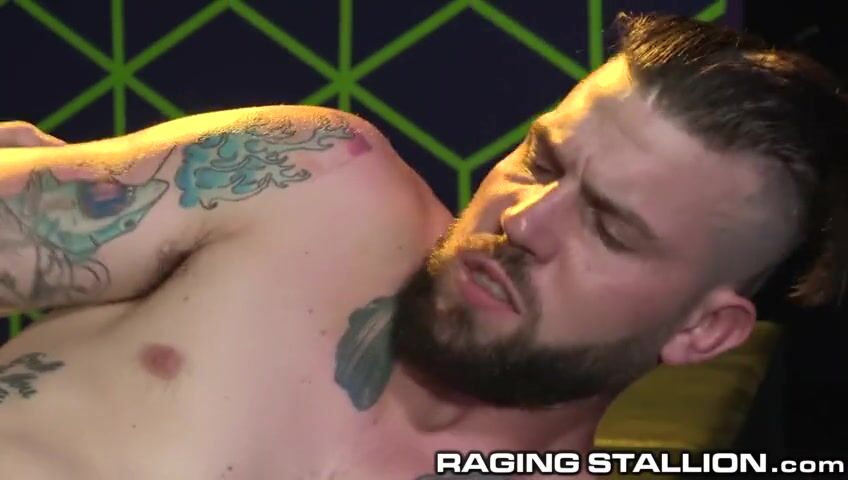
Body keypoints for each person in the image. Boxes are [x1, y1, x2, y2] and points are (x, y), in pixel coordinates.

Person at [0, 13, 846, 479]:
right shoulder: (314, 183)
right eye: (543, 162)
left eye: (610, 227)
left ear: (703, 331)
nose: (526, 220)